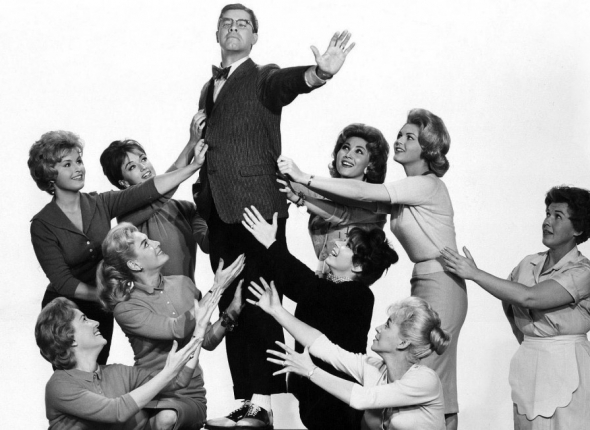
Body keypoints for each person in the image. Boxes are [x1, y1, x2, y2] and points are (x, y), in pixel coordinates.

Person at [196, 4, 355, 427]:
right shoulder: (208, 87)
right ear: (216, 33)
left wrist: (317, 74)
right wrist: (202, 205)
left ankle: (267, 405)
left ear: (255, 36)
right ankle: (246, 402)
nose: (233, 28)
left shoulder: (262, 75)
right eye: (226, 23)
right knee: (232, 308)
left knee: (262, 302)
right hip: (220, 216)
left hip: (257, 212)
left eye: (242, 24)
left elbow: (285, 84)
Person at [278, 108, 466, 429]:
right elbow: (350, 209)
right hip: (426, 279)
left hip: (442, 280)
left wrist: (303, 177)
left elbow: (363, 194)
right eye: (400, 134)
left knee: (433, 377)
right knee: (417, 374)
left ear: (428, 148)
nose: (399, 140)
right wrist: (303, 198)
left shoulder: (426, 185)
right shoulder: (407, 189)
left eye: (410, 137)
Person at [28, 130, 207, 365]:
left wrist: (193, 166)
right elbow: (63, 282)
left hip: (103, 305)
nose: (78, 169)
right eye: (67, 164)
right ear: (49, 174)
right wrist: (111, 296)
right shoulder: (42, 224)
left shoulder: (100, 202)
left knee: (98, 369)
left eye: (79, 161)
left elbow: (149, 190)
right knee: (73, 375)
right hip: (66, 308)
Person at [440, 185, 590, 430]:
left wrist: (475, 273)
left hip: (568, 363)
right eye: (547, 213)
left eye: (557, 216)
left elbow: (529, 298)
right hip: (529, 361)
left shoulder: (583, 271)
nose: (547, 221)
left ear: (578, 229)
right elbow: (509, 297)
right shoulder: (528, 262)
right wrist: (522, 334)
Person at [242, 205, 398, 430]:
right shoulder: (327, 286)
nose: (336, 245)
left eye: (347, 246)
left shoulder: (360, 296)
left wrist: (272, 242)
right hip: (313, 396)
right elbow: (298, 284)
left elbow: (304, 285)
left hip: (338, 404)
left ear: (357, 265)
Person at [97, 222, 246, 430]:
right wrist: (217, 287)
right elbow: (177, 328)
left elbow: (207, 341)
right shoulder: (126, 307)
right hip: (149, 390)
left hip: (187, 394)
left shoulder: (184, 283)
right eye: (146, 244)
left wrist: (232, 311)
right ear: (134, 265)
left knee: (165, 419)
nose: (157, 243)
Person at [247, 279, 449, 430]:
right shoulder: (373, 369)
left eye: (388, 325)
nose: (378, 328)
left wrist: (311, 371)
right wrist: (277, 311)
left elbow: (362, 398)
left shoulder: (425, 380)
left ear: (403, 342)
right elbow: (324, 347)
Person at [36, 294, 219, 430]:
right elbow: (116, 411)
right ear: (69, 338)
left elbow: (179, 380)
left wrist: (199, 332)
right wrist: (167, 372)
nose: (95, 322)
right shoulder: (60, 385)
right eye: (84, 319)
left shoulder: (118, 373)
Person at [100, 111, 209, 285]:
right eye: (132, 167)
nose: (143, 167)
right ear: (124, 183)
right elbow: (157, 191)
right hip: (151, 301)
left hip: (190, 299)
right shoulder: (127, 220)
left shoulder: (186, 209)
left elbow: (208, 244)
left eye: (143, 159)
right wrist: (192, 150)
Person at [279, 123, 389, 275]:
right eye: (345, 147)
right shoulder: (323, 193)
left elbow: (341, 213)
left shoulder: (374, 201)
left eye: (359, 151)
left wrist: (299, 194)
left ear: (371, 163)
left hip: (349, 284)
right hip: (321, 279)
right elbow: (295, 185)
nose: (348, 154)